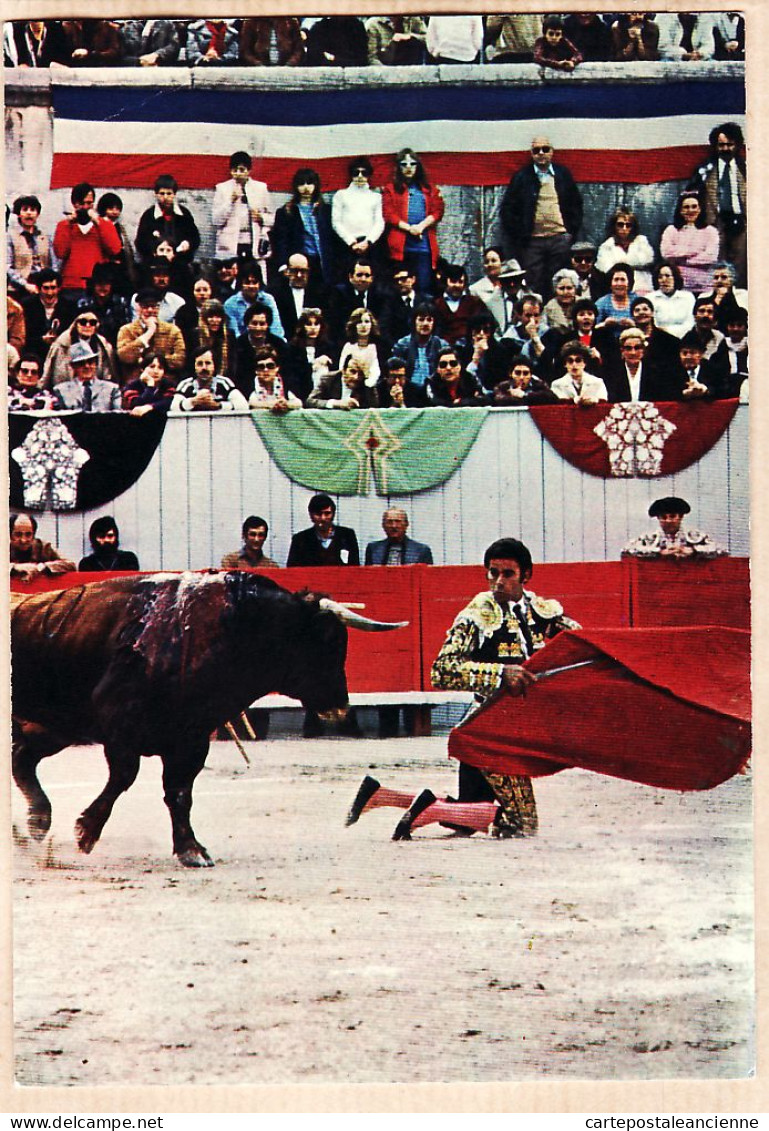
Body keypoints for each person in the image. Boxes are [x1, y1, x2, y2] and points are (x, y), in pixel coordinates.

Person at [346, 537, 579, 839]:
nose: (498, 582)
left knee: (467, 819)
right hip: (488, 732)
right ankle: (426, 807)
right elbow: (441, 671)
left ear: (526, 575)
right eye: (492, 573)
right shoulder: (477, 614)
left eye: (507, 574)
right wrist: (499, 673)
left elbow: (581, 641)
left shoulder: (539, 610)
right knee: (521, 825)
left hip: (512, 730)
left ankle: (383, 796)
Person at [365, 506, 433, 738]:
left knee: (410, 669)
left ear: (406, 524)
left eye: (398, 521)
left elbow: (427, 588)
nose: (393, 526)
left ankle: (411, 725)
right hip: (382, 619)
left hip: (411, 620)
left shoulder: (422, 550)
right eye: (389, 521)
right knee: (385, 671)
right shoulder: (373, 549)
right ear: (383, 525)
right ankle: (387, 725)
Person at [500, 137, 583, 302]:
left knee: (559, 282)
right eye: (536, 150)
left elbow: (576, 204)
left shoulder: (562, 174)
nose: (541, 154)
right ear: (531, 154)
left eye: (545, 149)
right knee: (533, 282)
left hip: (559, 238)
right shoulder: (522, 177)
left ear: (552, 152)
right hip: (532, 242)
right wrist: (521, 234)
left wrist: (570, 232)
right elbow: (508, 209)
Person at [688, 123, 747, 287]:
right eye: (721, 145)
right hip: (715, 223)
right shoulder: (705, 169)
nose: (726, 149)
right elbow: (691, 195)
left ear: (738, 145)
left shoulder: (747, 168)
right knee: (717, 266)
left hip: (742, 222)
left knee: (741, 266)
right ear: (715, 146)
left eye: (730, 144)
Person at [382, 149, 445, 296]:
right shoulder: (390, 189)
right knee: (401, 288)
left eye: (412, 164)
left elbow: (438, 211)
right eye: (404, 164)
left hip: (424, 248)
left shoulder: (430, 189)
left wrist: (421, 227)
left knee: (424, 287)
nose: (408, 167)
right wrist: (409, 229)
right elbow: (388, 214)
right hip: (401, 249)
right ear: (398, 167)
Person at [52, 182, 123, 299]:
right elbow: (60, 252)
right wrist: (68, 224)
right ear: (74, 204)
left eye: (89, 203)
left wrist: (98, 222)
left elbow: (115, 250)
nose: (85, 207)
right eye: (81, 203)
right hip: (71, 284)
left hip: (97, 285)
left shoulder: (105, 224)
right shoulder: (64, 225)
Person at [212, 151, 274, 276]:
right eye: (235, 170)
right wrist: (230, 201)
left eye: (242, 170)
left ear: (249, 170)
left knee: (254, 278)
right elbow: (216, 220)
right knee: (233, 279)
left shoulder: (260, 188)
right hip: (230, 244)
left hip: (254, 244)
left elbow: (273, 218)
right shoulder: (222, 188)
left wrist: (261, 218)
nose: (238, 174)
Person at [270, 168, 336, 286]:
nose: (306, 187)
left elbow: (332, 240)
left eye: (309, 183)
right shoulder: (286, 211)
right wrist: (283, 264)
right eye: (301, 183)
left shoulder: (326, 210)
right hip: (300, 262)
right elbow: (281, 241)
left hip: (322, 262)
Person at [135, 175, 201, 289]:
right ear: (155, 194)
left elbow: (195, 238)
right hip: (155, 267)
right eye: (162, 193)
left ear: (175, 194)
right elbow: (140, 242)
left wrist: (187, 245)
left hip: (179, 266)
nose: (165, 197)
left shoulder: (184, 214)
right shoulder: (149, 215)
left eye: (169, 193)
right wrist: (156, 250)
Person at [116, 288, 186, 383]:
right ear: (138, 308)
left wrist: (150, 360)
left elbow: (179, 361)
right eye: (145, 306)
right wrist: (149, 332)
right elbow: (124, 356)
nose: (150, 310)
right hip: (135, 382)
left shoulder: (172, 331)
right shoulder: (127, 330)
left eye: (153, 306)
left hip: (166, 383)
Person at [622, 497, 726, 559]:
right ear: (658, 518)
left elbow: (722, 550)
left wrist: (693, 551)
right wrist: (658, 552)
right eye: (663, 517)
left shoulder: (694, 536)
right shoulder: (649, 538)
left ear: (680, 517)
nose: (668, 521)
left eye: (672, 517)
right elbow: (626, 551)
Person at [331, 157, 385, 271]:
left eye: (364, 173)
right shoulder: (341, 195)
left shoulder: (376, 197)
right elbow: (336, 222)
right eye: (356, 173)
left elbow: (379, 222)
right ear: (351, 174)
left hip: (370, 247)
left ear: (369, 175)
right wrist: (351, 242)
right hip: (346, 246)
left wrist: (368, 242)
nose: (360, 176)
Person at [660, 191, 720, 295]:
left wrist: (683, 260)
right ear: (681, 210)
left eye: (694, 207)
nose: (690, 210)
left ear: (700, 209)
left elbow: (711, 257)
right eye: (686, 207)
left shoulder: (710, 231)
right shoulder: (671, 230)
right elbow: (666, 253)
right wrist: (695, 251)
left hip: (704, 285)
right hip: (679, 286)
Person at [42, 309, 117, 389]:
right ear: (76, 324)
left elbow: (107, 373)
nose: (87, 326)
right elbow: (48, 372)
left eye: (92, 323)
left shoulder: (103, 346)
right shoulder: (61, 344)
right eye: (83, 322)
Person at [287, 493, 360, 567]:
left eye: (327, 513)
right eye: (318, 514)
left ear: (333, 514)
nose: (323, 518)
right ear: (311, 515)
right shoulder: (300, 540)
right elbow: (292, 571)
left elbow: (355, 568)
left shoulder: (347, 536)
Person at [603, 327, 672, 404]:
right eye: (628, 348)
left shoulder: (656, 373)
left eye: (637, 348)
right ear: (622, 351)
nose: (633, 352)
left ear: (643, 350)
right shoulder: (611, 374)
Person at [233, 301, 287, 398]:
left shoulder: (279, 345)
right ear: (247, 324)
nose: (258, 328)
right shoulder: (237, 345)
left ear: (268, 325)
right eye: (254, 323)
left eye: (262, 324)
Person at [171, 345, 249, 413]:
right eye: (199, 364)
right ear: (194, 366)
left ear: (214, 365)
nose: (204, 368)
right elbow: (173, 408)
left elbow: (243, 406)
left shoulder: (224, 382)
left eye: (208, 363)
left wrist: (217, 405)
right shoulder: (185, 384)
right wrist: (194, 401)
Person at [595, 209, 655, 295]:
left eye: (628, 225)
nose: (624, 228)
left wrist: (620, 263)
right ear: (614, 226)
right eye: (620, 225)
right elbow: (606, 267)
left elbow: (647, 259)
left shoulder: (641, 240)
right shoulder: (606, 245)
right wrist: (635, 265)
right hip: (618, 287)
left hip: (643, 286)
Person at [51, 339, 122, 412]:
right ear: (73, 366)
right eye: (81, 363)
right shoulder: (61, 390)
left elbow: (117, 415)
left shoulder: (112, 389)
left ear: (95, 364)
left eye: (90, 362)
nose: (87, 366)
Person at [21, 269, 76, 362]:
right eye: (46, 288)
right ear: (38, 289)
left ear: (59, 288)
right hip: (34, 352)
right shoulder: (27, 306)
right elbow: (25, 336)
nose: (50, 293)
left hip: (62, 354)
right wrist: (41, 340)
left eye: (53, 288)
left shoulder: (69, 306)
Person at [272, 253, 328, 342]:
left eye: (303, 271)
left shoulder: (318, 293)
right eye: (295, 271)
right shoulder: (276, 293)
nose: (299, 275)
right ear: (287, 271)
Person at [391, 304, 448, 391]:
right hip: (408, 391)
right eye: (421, 319)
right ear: (414, 321)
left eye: (429, 320)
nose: (425, 323)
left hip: (435, 390)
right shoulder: (402, 345)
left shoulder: (441, 345)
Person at [223, 260, 284, 340]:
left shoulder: (268, 300)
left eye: (254, 282)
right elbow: (235, 335)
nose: (251, 286)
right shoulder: (230, 304)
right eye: (247, 282)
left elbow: (276, 329)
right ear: (241, 283)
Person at [7, 195, 51, 298]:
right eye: (25, 209)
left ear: (37, 214)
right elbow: (7, 266)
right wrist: (25, 284)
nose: (29, 213)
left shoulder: (44, 237)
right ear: (19, 214)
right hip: (18, 288)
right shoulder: (11, 236)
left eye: (33, 210)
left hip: (42, 288)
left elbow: (52, 264)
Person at [77, 263, 130, 347]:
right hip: (88, 345)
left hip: (114, 345)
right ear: (93, 285)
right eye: (99, 283)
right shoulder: (83, 303)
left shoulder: (120, 303)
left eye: (106, 284)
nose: (103, 287)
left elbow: (125, 329)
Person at [10, 513, 76, 580]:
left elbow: (71, 564)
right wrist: (15, 567)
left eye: (28, 535)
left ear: (33, 535)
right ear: (10, 535)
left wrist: (42, 567)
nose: (23, 540)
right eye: (18, 535)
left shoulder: (44, 547)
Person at [432, 264, 486, 345]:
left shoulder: (474, 302)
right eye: (453, 281)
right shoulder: (436, 304)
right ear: (445, 281)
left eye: (460, 282)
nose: (457, 285)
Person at [307, 355, 378, 410]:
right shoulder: (328, 379)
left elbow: (374, 407)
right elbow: (310, 402)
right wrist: (336, 403)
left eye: (360, 374)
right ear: (343, 370)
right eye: (352, 371)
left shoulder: (367, 384)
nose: (356, 377)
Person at [248, 346, 303, 413]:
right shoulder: (250, 386)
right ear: (256, 371)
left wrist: (286, 404)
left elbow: (298, 403)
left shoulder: (286, 384)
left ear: (277, 368)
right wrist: (273, 405)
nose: (266, 370)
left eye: (270, 366)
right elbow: (252, 402)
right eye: (261, 367)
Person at [338, 308, 383, 388]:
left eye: (367, 322)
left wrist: (367, 385)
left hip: (370, 386)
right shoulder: (348, 346)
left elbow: (376, 371)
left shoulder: (377, 347)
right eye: (359, 322)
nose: (363, 325)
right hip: (350, 385)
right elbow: (342, 369)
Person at [649, 261, 695, 339]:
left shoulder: (688, 297)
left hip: (684, 338)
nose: (664, 280)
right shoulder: (650, 298)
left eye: (667, 276)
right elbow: (653, 325)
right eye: (660, 277)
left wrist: (668, 330)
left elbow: (690, 323)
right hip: (659, 339)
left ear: (675, 278)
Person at [121, 352, 176, 416]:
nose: (156, 371)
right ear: (142, 369)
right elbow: (136, 405)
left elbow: (169, 402)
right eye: (152, 367)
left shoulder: (168, 385)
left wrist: (150, 407)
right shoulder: (131, 386)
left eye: (160, 368)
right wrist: (150, 386)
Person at [489, 355, 558, 406]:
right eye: (518, 373)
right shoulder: (502, 387)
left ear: (531, 375)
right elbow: (499, 400)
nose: (521, 377)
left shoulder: (539, 385)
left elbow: (552, 398)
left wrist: (525, 395)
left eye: (525, 373)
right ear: (510, 374)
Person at [595, 264, 638, 339]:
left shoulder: (636, 301)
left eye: (622, 279)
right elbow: (591, 328)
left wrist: (633, 325)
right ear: (610, 284)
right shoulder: (602, 303)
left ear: (629, 283)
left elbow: (646, 327)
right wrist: (604, 324)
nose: (619, 283)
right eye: (616, 279)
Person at [238, 17, 304, 66]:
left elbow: (299, 50)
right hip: (259, 69)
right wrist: (258, 65)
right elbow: (245, 51)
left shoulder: (290, 21)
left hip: (287, 67)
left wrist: (290, 65)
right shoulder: (251, 22)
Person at [542, 268, 578, 336]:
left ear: (575, 289)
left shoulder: (583, 304)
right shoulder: (549, 308)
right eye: (561, 288)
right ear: (555, 290)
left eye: (569, 288)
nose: (565, 292)